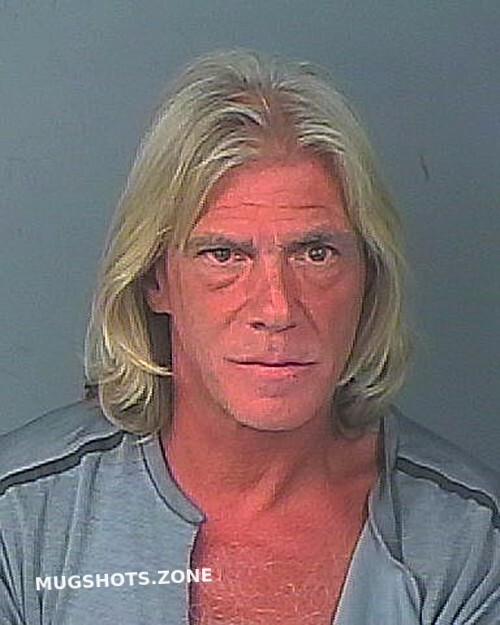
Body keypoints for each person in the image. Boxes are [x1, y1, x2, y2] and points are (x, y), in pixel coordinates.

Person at [0, 50, 499, 625]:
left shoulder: (468, 543)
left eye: (316, 254)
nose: (277, 309)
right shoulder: (23, 516)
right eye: (224, 255)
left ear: (369, 277)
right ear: (156, 280)